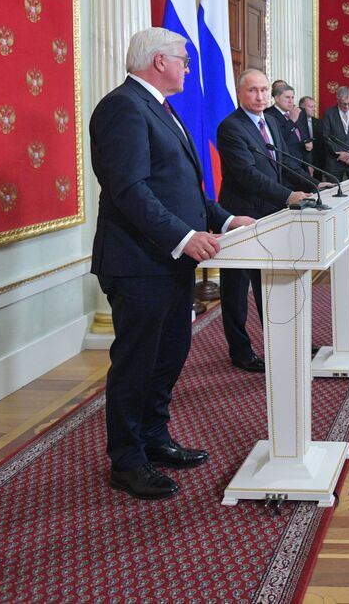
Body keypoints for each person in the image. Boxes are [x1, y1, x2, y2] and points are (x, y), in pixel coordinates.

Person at [89, 28, 254, 500]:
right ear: (158, 61)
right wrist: (184, 238)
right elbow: (130, 191)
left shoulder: (160, 108)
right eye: (182, 58)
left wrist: (223, 218)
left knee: (170, 354)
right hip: (138, 262)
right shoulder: (122, 107)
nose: (187, 66)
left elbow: (180, 186)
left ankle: (155, 438)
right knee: (137, 362)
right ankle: (127, 458)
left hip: (169, 261)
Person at [216, 68, 323, 374]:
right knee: (236, 289)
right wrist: (289, 195)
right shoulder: (231, 127)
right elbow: (248, 174)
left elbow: (284, 162)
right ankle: (240, 350)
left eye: (264, 90)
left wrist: (315, 185)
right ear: (240, 94)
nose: (260, 96)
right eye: (253, 90)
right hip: (241, 217)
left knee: (271, 282)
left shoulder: (272, 122)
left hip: (273, 215)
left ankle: (284, 339)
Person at [268, 81, 307, 166]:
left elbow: (302, 136)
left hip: (301, 161)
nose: (291, 101)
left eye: (292, 97)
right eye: (287, 97)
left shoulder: (296, 111)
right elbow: (278, 139)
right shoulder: (268, 115)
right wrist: (291, 121)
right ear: (276, 98)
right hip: (285, 163)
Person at [298, 95, 323, 173]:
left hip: (318, 162)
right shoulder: (296, 122)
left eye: (314, 106)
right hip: (302, 162)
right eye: (311, 107)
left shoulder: (319, 122)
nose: (314, 109)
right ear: (302, 108)